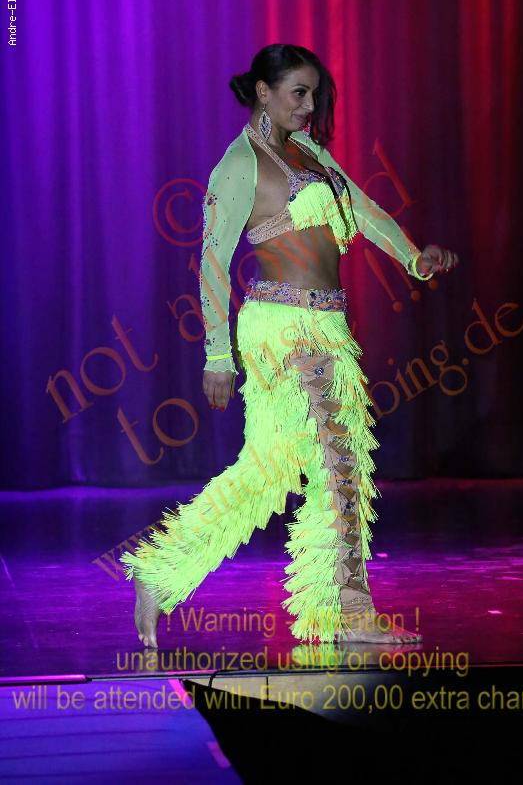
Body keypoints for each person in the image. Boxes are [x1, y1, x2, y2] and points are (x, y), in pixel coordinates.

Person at [121, 43, 459, 649]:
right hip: (286, 330)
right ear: (264, 92)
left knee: (267, 469)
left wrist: (415, 258)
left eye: (314, 95)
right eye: (298, 93)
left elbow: (363, 210)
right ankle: (347, 614)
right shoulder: (240, 163)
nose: (308, 105)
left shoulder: (308, 152)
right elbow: (212, 262)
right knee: (341, 463)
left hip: (325, 326)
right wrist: (217, 357)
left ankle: (159, 570)